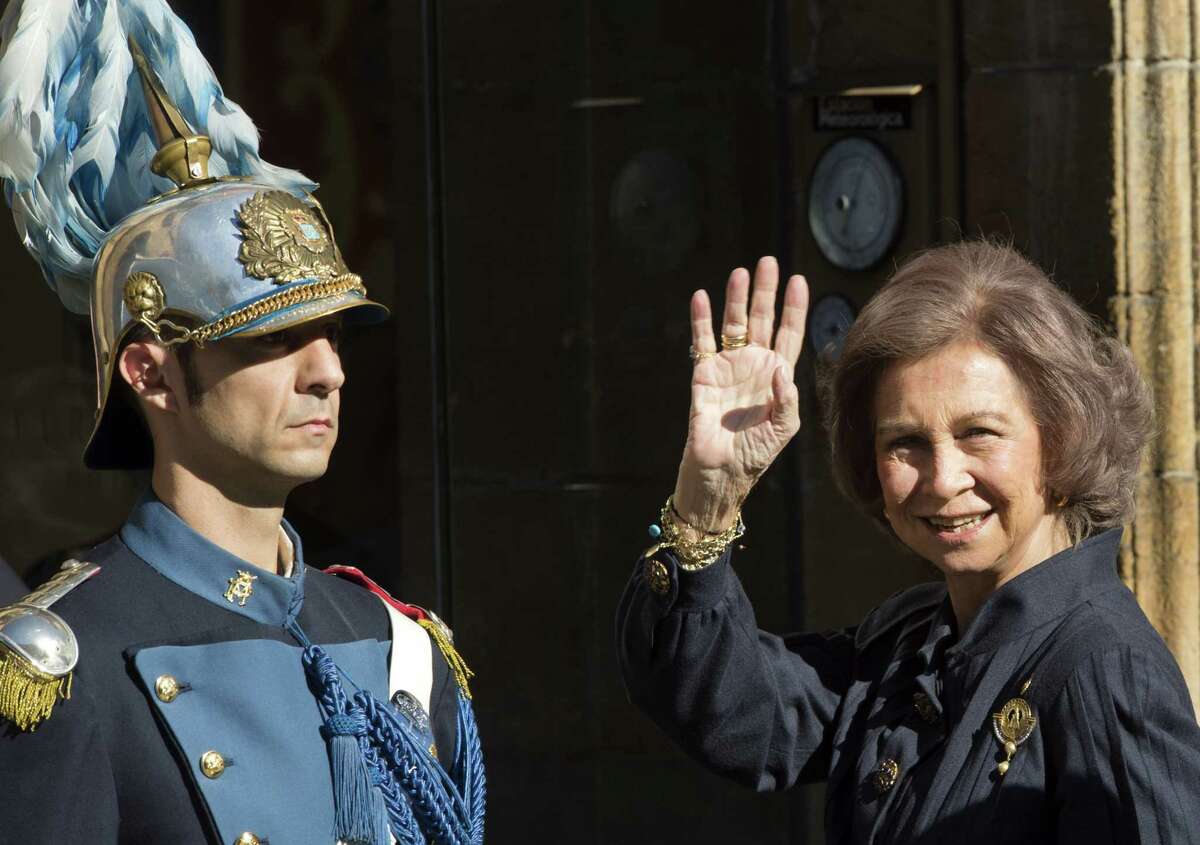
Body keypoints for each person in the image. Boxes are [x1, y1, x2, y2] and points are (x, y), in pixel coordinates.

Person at [0, 2, 484, 843]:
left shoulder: (398, 643)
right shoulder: (63, 660)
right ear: (150, 373)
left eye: (331, 336)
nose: (327, 371)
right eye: (273, 341)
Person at [616, 243, 1200, 842]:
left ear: (1062, 438)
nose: (943, 480)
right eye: (906, 443)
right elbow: (735, 714)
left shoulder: (1104, 668)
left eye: (979, 433)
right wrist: (709, 496)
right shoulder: (911, 639)